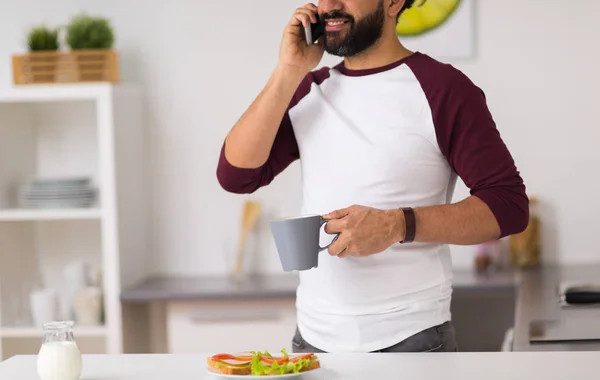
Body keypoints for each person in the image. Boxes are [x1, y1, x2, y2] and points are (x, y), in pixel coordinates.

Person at [216, 0, 528, 353]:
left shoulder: (444, 89)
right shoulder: (309, 90)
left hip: (411, 341)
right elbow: (236, 175)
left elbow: (507, 206)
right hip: (312, 342)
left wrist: (397, 224)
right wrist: (288, 71)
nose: (330, 5)